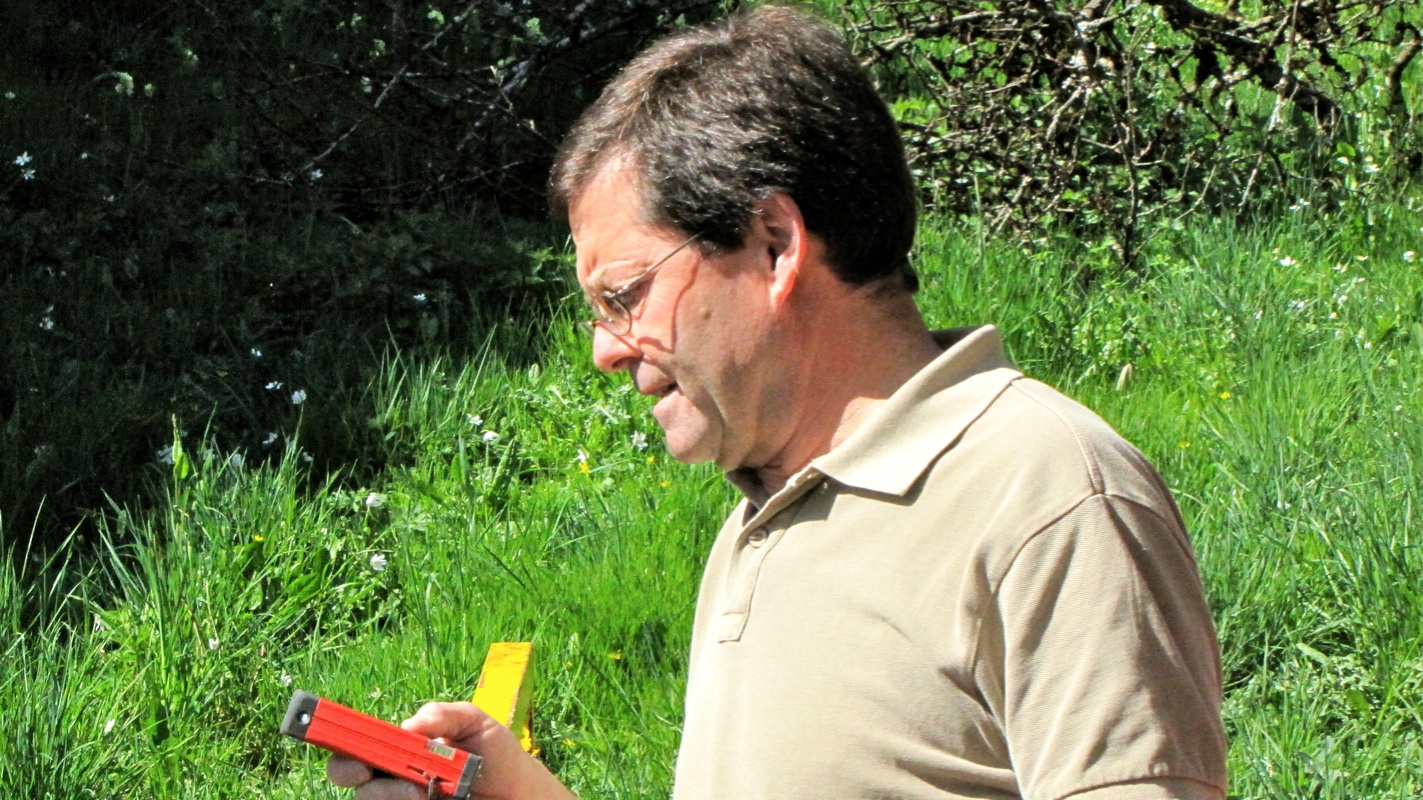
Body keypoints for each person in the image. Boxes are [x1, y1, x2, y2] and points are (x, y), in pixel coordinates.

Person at [327, 5, 1228, 799]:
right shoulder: (760, 522)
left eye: (626, 296)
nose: (604, 350)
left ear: (773, 243)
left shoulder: (1047, 495)